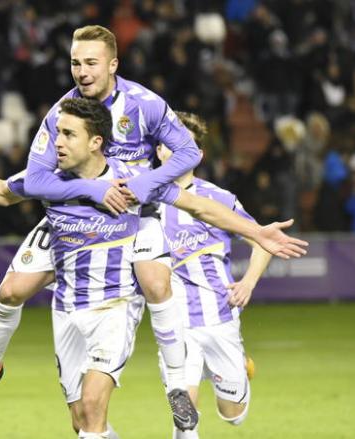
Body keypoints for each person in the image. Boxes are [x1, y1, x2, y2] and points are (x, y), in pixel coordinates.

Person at [0, 98, 308, 438]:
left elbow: (200, 206)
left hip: (114, 308)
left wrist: (257, 232)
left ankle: (178, 383)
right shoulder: (47, 179)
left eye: (68, 134)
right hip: (67, 306)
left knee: (96, 399)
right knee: (82, 420)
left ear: (95, 142)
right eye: (57, 132)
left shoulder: (134, 184)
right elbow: (1, 192)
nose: (56, 141)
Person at [155, 112, 272, 438]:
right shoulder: (143, 203)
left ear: (199, 155)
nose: (175, 151)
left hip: (220, 318)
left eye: (185, 145)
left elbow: (262, 242)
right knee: (185, 415)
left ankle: (240, 374)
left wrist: (248, 282)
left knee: (231, 415)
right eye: (169, 144)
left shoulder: (220, 200)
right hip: (175, 324)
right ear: (159, 151)